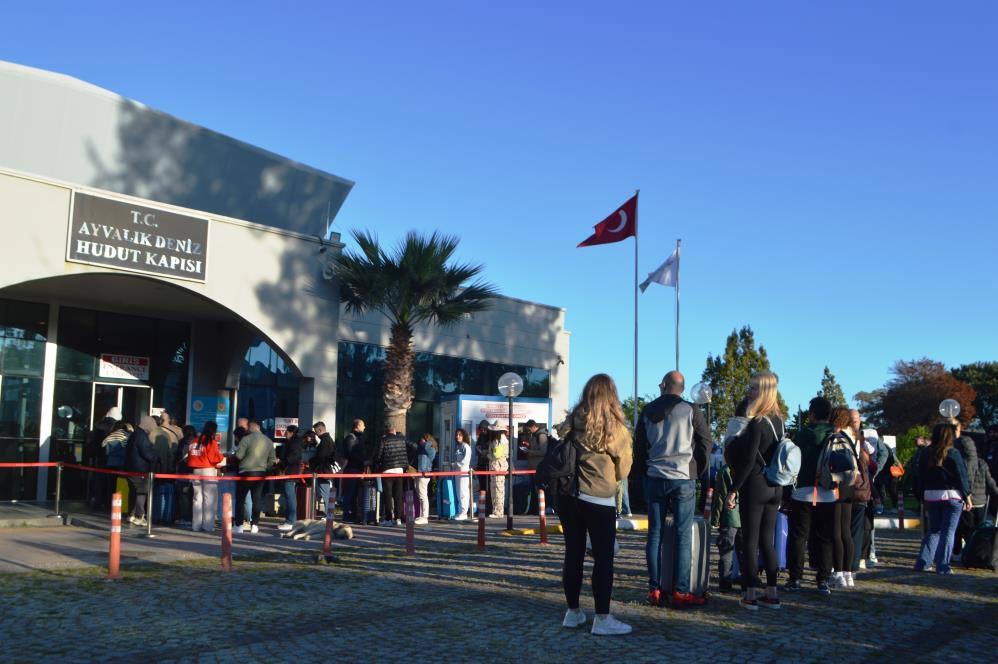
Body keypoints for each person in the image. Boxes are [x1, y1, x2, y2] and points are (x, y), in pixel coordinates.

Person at [557, 374, 633, 636]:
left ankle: (573, 612)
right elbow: (624, 468)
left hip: (568, 497)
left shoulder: (571, 422)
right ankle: (602, 618)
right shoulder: (615, 429)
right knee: (603, 560)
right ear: (611, 395)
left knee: (573, 554)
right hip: (598, 498)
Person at [637, 370, 711, 609]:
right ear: (681, 388)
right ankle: (681, 591)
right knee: (682, 534)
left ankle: (654, 588)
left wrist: (642, 474)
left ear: (665, 385)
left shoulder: (647, 410)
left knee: (655, 535)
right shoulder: (691, 410)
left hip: (655, 476)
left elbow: (639, 446)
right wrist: (698, 471)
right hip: (682, 477)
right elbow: (706, 442)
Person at [726, 372, 784, 610]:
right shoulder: (779, 420)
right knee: (767, 541)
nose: (748, 392)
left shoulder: (758, 422)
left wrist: (733, 489)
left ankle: (750, 593)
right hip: (775, 486)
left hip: (756, 485)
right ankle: (772, 593)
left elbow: (749, 461)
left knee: (750, 540)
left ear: (763, 392)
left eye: (752, 388)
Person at [784, 397, 835, 594]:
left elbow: (792, 463)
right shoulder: (837, 434)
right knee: (825, 538)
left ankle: (795, 578)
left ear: (812, 414)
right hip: (829, 492)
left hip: (802, 491)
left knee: (798, 537)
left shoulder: (802, 435)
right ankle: (823, 580)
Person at [914, 422, 972, 573]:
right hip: (952, 495)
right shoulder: (953, 453)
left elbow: (919, 476)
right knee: (948, 531)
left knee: (934, 530)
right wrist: (967, 495)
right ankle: (943, 565)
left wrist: (921, 495)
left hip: (931, 495)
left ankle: (923, 562)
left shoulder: (926, 453)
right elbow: (962, 476)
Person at [234, 420, 276, 534]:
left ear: (251, 427)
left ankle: (239, 525)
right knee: (256, 499)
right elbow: (272, 460)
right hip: (261, 473)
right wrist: (264, 467)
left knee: (241, 499)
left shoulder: (246, 439)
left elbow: (238, 456)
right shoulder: (268, 441)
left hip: (245, 472)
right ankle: (255, 525)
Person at [187, 421, 226, 532]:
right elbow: (214, 458)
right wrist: (222, 456)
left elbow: (189, 456)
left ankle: (196, 525)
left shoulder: (194, 441)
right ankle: (208, 526)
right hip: (208, 470)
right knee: (209, 499)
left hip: (195, 471)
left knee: (197, 498)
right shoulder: (210, 441)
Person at [712, 456, 742, 592]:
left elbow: (720, 496)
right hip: (746, 516)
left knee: (726, 551)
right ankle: (746, 583)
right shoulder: (749, 468)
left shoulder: (725, 471)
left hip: (729, 516)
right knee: (744, 551)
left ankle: (725, 582)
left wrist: (715, 519)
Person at [124, 415, 158, 527]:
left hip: (131, 468)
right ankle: (139, 516)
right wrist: (155, 457)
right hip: (140, 469)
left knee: (134, 491)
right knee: (141, 491)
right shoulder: (142, 436)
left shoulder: (134, 434)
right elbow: (146, 453)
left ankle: (131, 514)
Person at [375, 425, 408, 525]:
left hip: (387, 471)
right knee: (398, 495)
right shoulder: (402, 439)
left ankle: (389, 518)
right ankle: (398, 518)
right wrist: (406, 462)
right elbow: (414, 446)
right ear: (394, 431)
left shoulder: (384, 440)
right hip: (399, 471)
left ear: (386, 432)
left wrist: (378, 463)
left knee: (388, 496)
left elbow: (379, 455)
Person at [339, 419, 367, 522]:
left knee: (354, 493)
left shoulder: (357, 438)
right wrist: (363, 460)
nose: (364, 427)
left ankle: (353, 514)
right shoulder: (351, 438)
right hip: (352, 469)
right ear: (357, 426)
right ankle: (347, 515)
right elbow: (351, 454)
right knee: (350, 492)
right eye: (363, 425)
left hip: (357, 468)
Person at [278, 425, 303, 531]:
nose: (285, 434)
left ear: (291, 432)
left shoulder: (294, 443)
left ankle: (291, 521)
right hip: (290, 471)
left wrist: (281, 462)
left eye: (286, 432)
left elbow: (292, 457)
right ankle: (290, 519)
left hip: (290, 472)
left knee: (290, 496)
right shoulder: (295, 442)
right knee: (289, 496)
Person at [311, 421, 337, 517]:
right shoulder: (327, 440)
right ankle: (328, 514)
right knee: (325, 492)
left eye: (316, 431)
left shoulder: (325, 441)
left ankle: (328, 514)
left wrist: (311, 461)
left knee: (325, 492)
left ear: (320, 429)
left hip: (323, 470)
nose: (316, 434)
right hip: (325, 470)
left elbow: (321, 456)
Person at [525, 420, 549, 515]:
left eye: (529, 429)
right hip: (533, 467)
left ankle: (540, 510)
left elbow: (543, 451)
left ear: (534, 426)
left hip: (538, 467)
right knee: (533, 489)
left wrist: (530, 452)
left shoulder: (541, 436)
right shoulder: (534, 435)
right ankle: (533, 509)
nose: (528, 431)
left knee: (538, 489)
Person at [414, 433, 437, 525]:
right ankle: (421, 515)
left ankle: (425, 516)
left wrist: (427, 442)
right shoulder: (422, 450)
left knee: (423, 495)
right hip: (419, 473)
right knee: (420, 495)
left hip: (425, 474)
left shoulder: (431, 449)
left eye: (422, 439)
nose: (421, 442)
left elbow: (427, 448)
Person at [487, 428, 510, 519]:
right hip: (495, 467)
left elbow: (496, 454)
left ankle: (499, 512)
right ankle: (495, 510)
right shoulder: (498, 440)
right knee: (494, 490)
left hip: (498, 467)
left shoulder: (501, 440)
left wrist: (489, 455)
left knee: (498, 490)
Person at [453, 428, 472, 520]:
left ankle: (464, 512)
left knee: (463, 491)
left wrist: (455, 464)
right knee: (458, 491)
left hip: (463, 470)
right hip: (457, 471)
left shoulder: (466, 446)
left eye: (460, 435)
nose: (457, 436)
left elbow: (465, 460)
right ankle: (460, 511)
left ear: (464, 436)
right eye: (457, 435)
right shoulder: (458, 446)